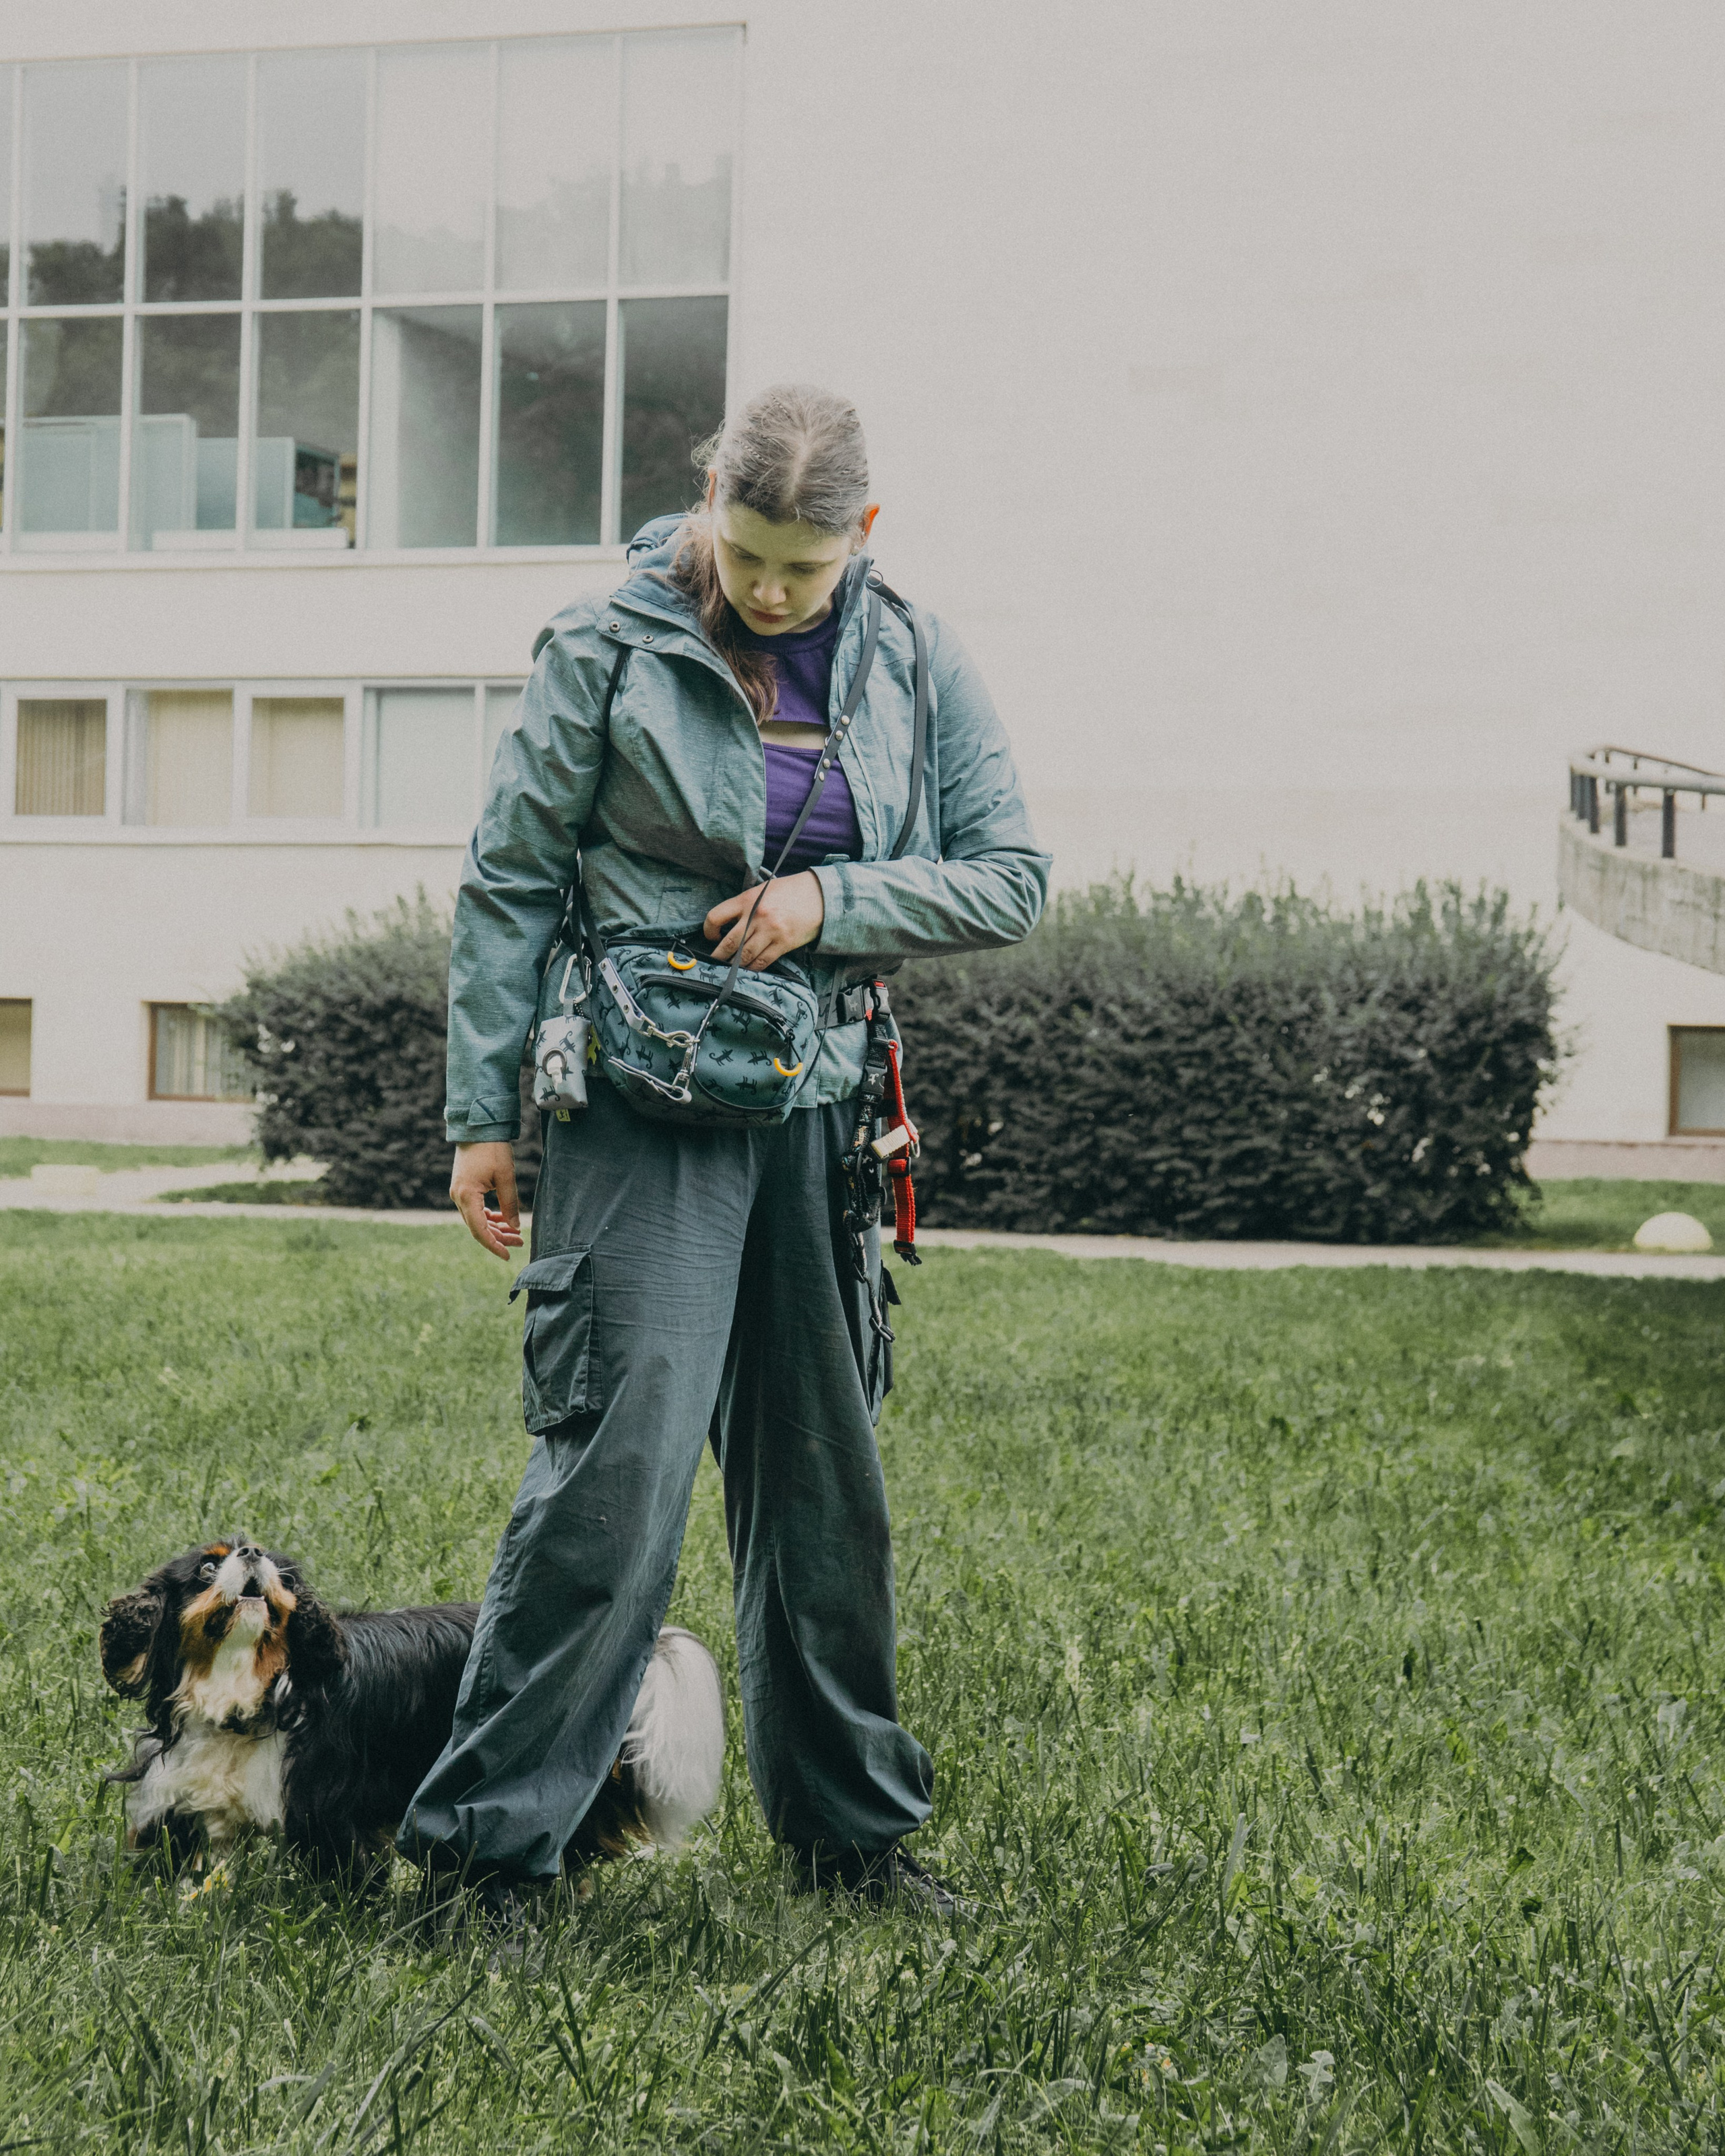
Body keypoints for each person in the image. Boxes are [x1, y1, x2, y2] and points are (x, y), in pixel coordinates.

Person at [398, 383, 1049, 1922]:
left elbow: (1007, 874)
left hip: (816, 1111)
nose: (767, 591)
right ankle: (488, 1854)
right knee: (610, 1484)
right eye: (747, 553)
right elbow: (508, 881)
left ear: (861, 539)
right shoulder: (603, 643)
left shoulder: (911, 657)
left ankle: (852, 1843)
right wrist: (480, 1112)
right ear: (706, 499)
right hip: (634, 1109)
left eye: (800, 570)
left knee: (825, 1495)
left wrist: (838, 904)